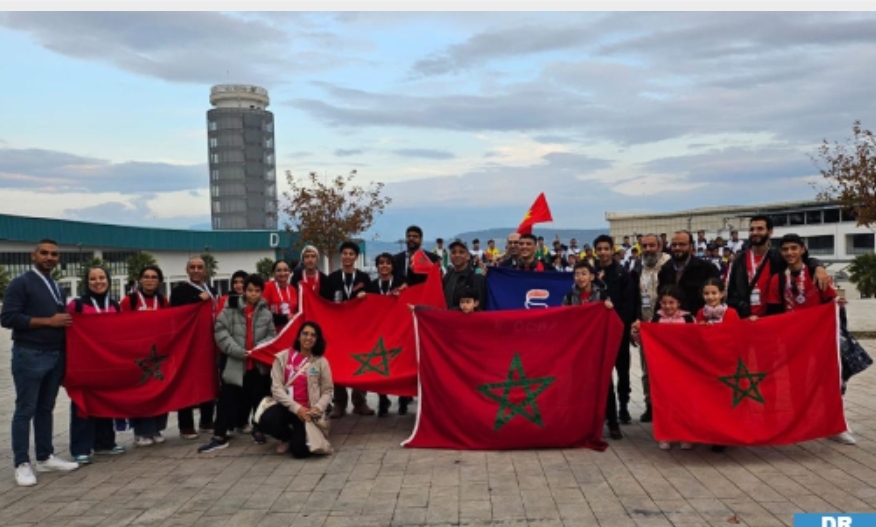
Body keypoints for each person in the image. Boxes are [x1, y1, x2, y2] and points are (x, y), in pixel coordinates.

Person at [763, 234, 855, 445]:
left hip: (819, 340)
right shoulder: (778, 280)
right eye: (785, 249)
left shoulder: (817, 274)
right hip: (793, 342)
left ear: (803, 250)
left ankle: (836, 426)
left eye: (794, 248)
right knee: (797, 384)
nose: (789, 253)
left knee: (828, 382)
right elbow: (775, 313)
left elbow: (830, 302)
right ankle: (799, 425)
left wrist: (836, 304)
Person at [1, 239, 80, 486]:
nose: (49, 257)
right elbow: (8, 317)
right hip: (30, 353)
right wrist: (48, 322)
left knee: (46, 408)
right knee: (25, 409)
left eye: (54, 254)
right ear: (33, 255)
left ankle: (45, 456)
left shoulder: (57, 285)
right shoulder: (21, 283)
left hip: (55, 354)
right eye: (44, 253)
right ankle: (22, 463)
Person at [199, 275, 277, 453]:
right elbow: (220, 331)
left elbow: (272, 335)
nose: (253, 294)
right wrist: (237, 350)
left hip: (257, 364)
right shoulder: (230, 308)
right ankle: (220, 435)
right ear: (243, 290)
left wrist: (258, 349)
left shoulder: (265, 312)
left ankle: (258, 429)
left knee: (260, 399)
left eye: (257, 291)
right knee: (227, 400)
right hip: (235, 363)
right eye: (250, 290)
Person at [67, 266, 126, 464]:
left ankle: (105, 443)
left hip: (107, 362)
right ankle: (81, 448)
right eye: (93, 278)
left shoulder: (115, 305)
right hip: (85, 363)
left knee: (105, 401)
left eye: (101, 277)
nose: (98, 281)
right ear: (87, 281)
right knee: (82, 404)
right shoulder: (76, 305)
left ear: (108, 280)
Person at [727, 215, 828, 321]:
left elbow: (803, 259)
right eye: (752, 229)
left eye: (760, 229)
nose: (755, 232)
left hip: (772, 320)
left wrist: (818, 266)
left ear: (770, 232)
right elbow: (731, 296)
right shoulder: (739, 261)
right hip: (747, 320)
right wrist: (745, 313)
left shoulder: (778, 257)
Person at [259, 322, 334, 458]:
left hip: (308, 411)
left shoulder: (321, 362)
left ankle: (298, 438)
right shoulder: (282, 358)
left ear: (317, 340)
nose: (308, 338)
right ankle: (286, 437)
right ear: (298, 337)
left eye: (313, 335)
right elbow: (276, 389)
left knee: (300, 453)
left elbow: (327, 390)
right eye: (305, 334)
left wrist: (318, 408)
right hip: (288, 406)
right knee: (265, 420)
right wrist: (296, 408)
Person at [321, 241, 374, 418]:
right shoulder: (332, 279)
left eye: (351, 254)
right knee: (337, 364)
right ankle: (339, 403)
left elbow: (373, 302)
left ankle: (360, 402)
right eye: (345, 253)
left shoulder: (364, 278)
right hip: (338, 331)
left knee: (360, 364)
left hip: (359, 330)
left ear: (356, 257)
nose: (348, 257)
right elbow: (324, 304)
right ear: (341, 255)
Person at [121, 265, 170, 446]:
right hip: (138, 354)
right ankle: (141, 431)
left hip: (158, 353)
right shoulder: (130, 300)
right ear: (140, 280)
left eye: (154, 277)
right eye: (146, 277)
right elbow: (121, 325)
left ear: (159, 281)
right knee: (141, 393)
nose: (150, 280)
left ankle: (156, 428)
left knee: (159, 391)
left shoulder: (163, 300)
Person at [592, 234, 636, 437]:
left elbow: (629, 302)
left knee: (623, 371)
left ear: (612, 250)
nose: (602, 252)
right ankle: (607, 413)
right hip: (599, 333)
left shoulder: (623, 273)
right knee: (604, 373)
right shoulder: (592, 273)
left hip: (619, 329)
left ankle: (624, 406)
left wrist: (622, 325)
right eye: (599, 249)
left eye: (605, 248)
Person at [170, 257, 218, 439]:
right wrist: (196, 299)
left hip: (208, 342)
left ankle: (206, 421)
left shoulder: (212, 290)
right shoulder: (179, 291)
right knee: (186, 383)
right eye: (193, 267)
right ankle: (186, 425)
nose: (196, 270)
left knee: (209, 381)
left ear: (205, 270)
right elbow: (176, 314)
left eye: (200, 267)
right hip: (188, 344)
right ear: (187, 270)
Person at [646, 285, 695, 451]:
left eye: (671, 303)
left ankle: (685, 434)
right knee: (664, 401)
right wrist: (638, 332)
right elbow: (647, 340)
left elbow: (698, 341)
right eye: (664, 303)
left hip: (684, 367)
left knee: (684, 401)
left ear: (679, 303)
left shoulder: (689, 319)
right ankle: (665, 434)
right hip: (662, 368)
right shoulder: (655, 320)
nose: (667, 306)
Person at [365, 253, 411, 416]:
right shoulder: (370, 286)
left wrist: (403, 295)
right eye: (381, 263)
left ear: (392, 266)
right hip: (379, 332)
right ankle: (382, 399)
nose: (384, 266)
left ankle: (403, 399)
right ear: (377, 266)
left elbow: (409, 303)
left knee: (399, 366)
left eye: (387, 263)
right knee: (380, 368)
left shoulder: (401, 284)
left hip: (398, 331)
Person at [631, 234, 670, 423]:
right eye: (644, 246)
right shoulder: (638, 267)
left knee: (667, 371)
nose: (648, 249)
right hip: (646, 327)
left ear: (660, 245)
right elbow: (635, 297)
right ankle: (650, 405)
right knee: (647, 370)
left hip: (667, 326)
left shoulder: (669, 265)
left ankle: (668, 406)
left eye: (651, 245)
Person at [657, 231, 720, 316]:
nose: (677, 248)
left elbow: (715, 298)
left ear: (691, 246)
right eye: (674, 245)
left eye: (682, 244)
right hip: (670, 321)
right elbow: (660, 297)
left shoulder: (706, 268)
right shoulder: (665, 269)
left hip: (698, 320)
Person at [443, 240, 486, 312]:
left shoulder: (476, 277)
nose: (457, 255)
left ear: (468, 256)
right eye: (453, 252)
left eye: (461, 252)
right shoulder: (448, 276)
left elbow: (480, 305)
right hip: (448, 320)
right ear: (450, 256)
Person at [263, 260, 298, 332]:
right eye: (278, 270)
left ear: (290, 272)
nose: (282, 273)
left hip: (290, 331)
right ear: (273, 273)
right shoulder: (267, 287)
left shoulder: (293, 289)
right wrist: (283, 318)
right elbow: (263, 312)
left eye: (285, 270)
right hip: (272, 332)